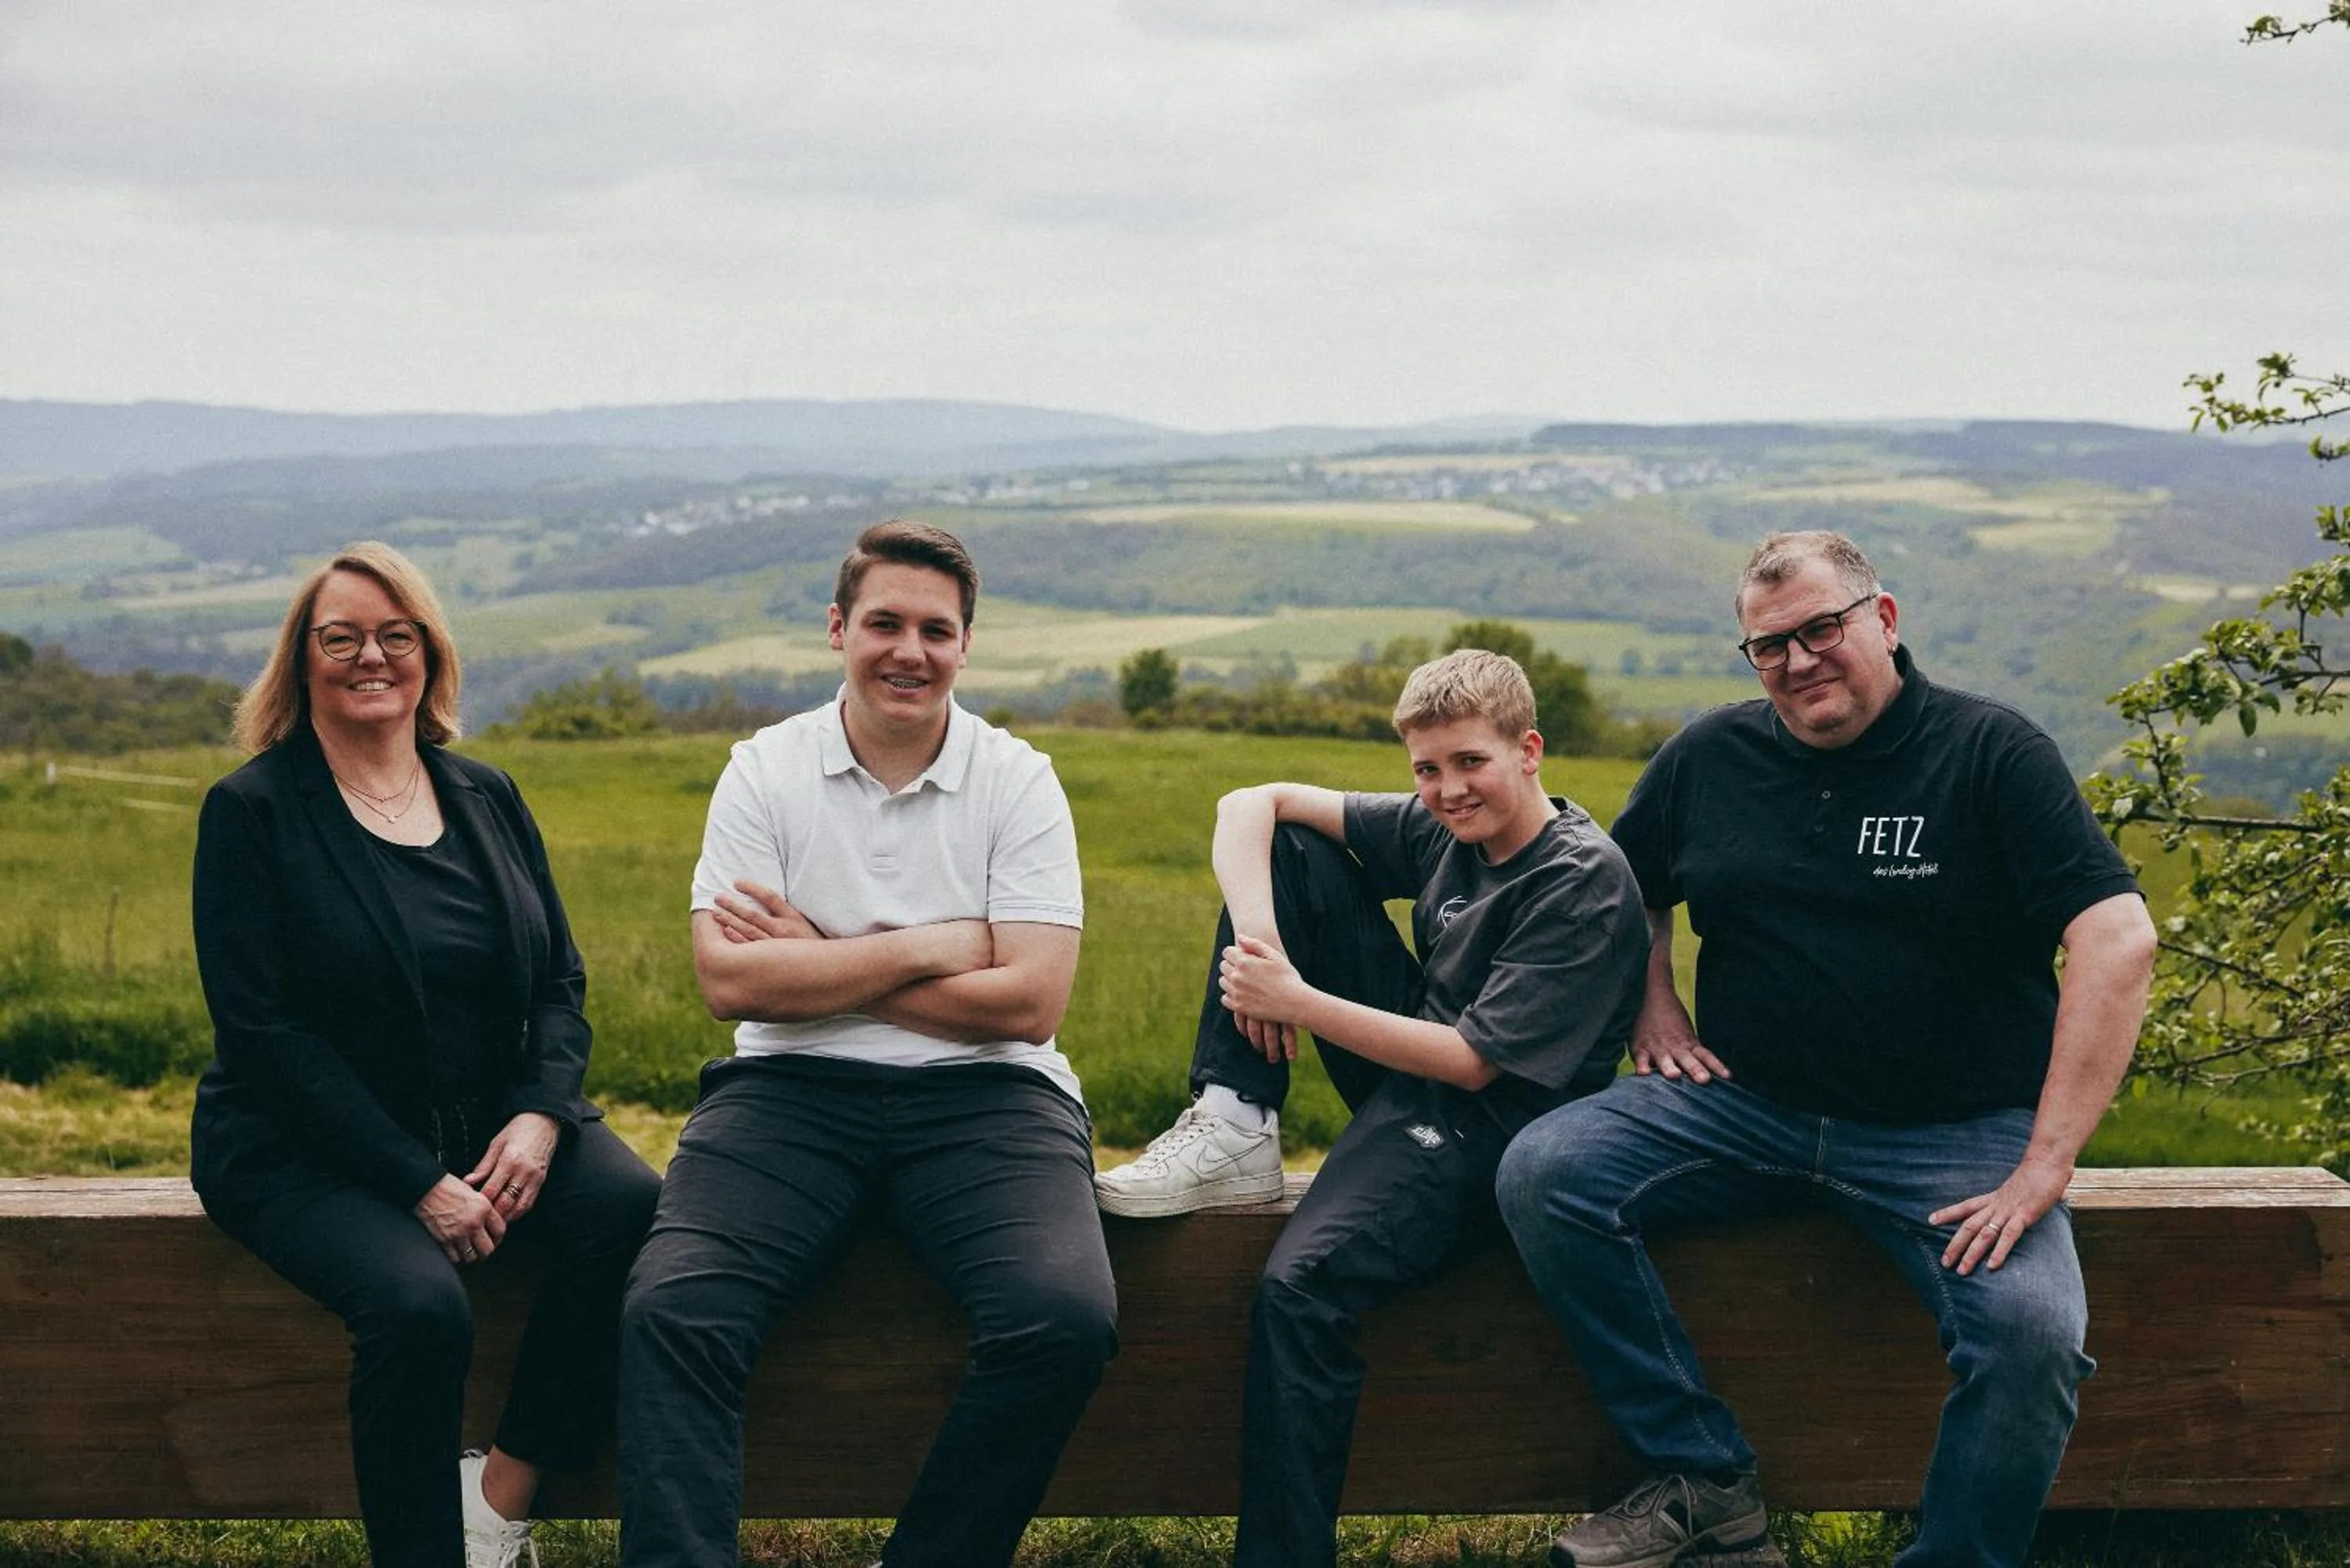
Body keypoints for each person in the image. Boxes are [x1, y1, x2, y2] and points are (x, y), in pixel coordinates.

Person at [1495, 531, 2157, 1568]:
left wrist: (2046, 1163)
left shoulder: (1989, 752)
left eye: (1822, 629)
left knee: (2030, 1335)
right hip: (1743, 1106)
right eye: (1770, 646)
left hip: (1953, 1138)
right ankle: (1704, 1475)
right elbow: (1621, 888)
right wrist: (1651, 1008)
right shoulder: (1713, 756)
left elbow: (2118, 937)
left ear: (1882, 619)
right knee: (1546, 1171)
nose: (1800, 660)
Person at [616, 520, 1115, 1568]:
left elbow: (1029, 1002)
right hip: (788, 1093)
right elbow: (731, 981)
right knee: (674, 1310)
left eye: (937, 629)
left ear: (966, 646)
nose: (910, 649)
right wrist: (940, 944)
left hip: (994, 1099)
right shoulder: (764, 770)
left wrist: (828, 961)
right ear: (838, 627)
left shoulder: (1018, 780)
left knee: (1063, 1318)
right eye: (885, 622)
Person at [1094, 648, 1650, 1568]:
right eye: (1426, 769)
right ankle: (1234, 1115)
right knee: (1293, 851)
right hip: (1413, 1071)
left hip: (1496, 1132)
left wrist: (1295, 1001)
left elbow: (1474, 1063)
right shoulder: (1450, 830)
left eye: (1469, 762)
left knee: (1299, 1287)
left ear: (1530, 750)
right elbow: (1249, 804)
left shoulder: (1579, 878)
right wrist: (1264, 944)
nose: (1447, 789)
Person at [190, 542, 662, 1568]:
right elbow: (264, 1036)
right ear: (301, 659)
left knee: (632, 1208)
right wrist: (418, 1183)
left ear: (429, 654)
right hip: (296, 1142)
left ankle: (498, 1501)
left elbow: (558, 982)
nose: (372, 655)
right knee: (417, 1306)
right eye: (343, 636)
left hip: (486, 1116)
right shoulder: (253, 812)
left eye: (396, 635)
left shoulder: (485, 795)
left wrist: (541, 1114)